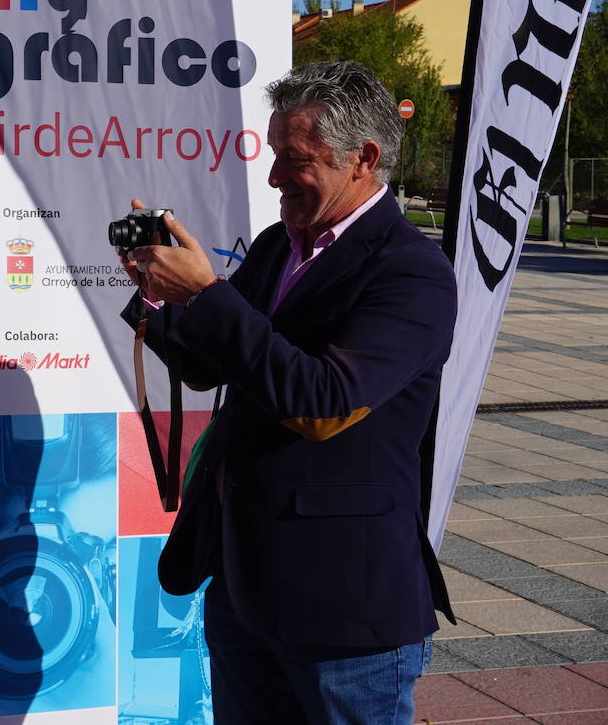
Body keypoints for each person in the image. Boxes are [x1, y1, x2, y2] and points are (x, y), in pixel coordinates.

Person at [116, 61, 457, 724]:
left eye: (294, 160)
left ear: (363, 158)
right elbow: (211, 367)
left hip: (343, 607)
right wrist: (160, 299)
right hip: (247, 583)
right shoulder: (281, 245)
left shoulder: (413, 272)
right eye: (274, 155)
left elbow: (322, 403)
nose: (273, 178)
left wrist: (208, 294)